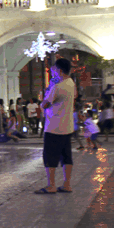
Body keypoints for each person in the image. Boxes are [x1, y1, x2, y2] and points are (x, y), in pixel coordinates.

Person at [37, 57, 77, 194]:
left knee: (50, 157)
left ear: (59, 70)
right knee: (66, 156)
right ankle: (67, 184)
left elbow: (45, 104)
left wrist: (47, 94)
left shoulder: (57, 87)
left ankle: (51, 185)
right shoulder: (71, 83)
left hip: (54, 126)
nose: (52, 71)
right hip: (67, 126)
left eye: (53, 69)